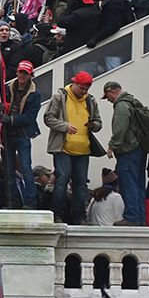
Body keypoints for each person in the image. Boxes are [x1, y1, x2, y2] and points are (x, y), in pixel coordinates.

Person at [43, 71, 104, 224]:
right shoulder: (60, 97)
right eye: (82, 88)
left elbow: (98, 123)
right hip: (62, 148)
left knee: (81, 184)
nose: (84, 91)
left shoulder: (90, 100)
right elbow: (48, 118)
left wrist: (93, 125)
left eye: (86, 89)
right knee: (62, 180)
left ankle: (79, 217)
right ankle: (56, 215)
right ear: (74, 83)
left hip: (83, 149)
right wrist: (64, 126)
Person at [101, 81, 148, 225]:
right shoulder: (133, 102)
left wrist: (112, 146)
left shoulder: (122, 105)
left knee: (128, 184)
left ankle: (131, 217)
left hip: (128, 150)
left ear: (111, 92)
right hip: (140, 149)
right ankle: (139, 217)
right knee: (139, 185)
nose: (108, 100)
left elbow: (120, 128)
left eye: (107, 96)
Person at [1, 60, 42, 209]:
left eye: (25, 73)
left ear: (31, 74)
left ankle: (30, 202)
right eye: (20, 72)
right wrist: (1, 109)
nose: (22, 75)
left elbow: (30, 118)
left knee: (26, 169)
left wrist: (11, 119)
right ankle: (12, 203)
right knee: (8, 171)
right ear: (17, 72)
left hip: (22, 135)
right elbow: (1, 104)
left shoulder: (35, 94)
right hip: (7, 135)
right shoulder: (7, 88)